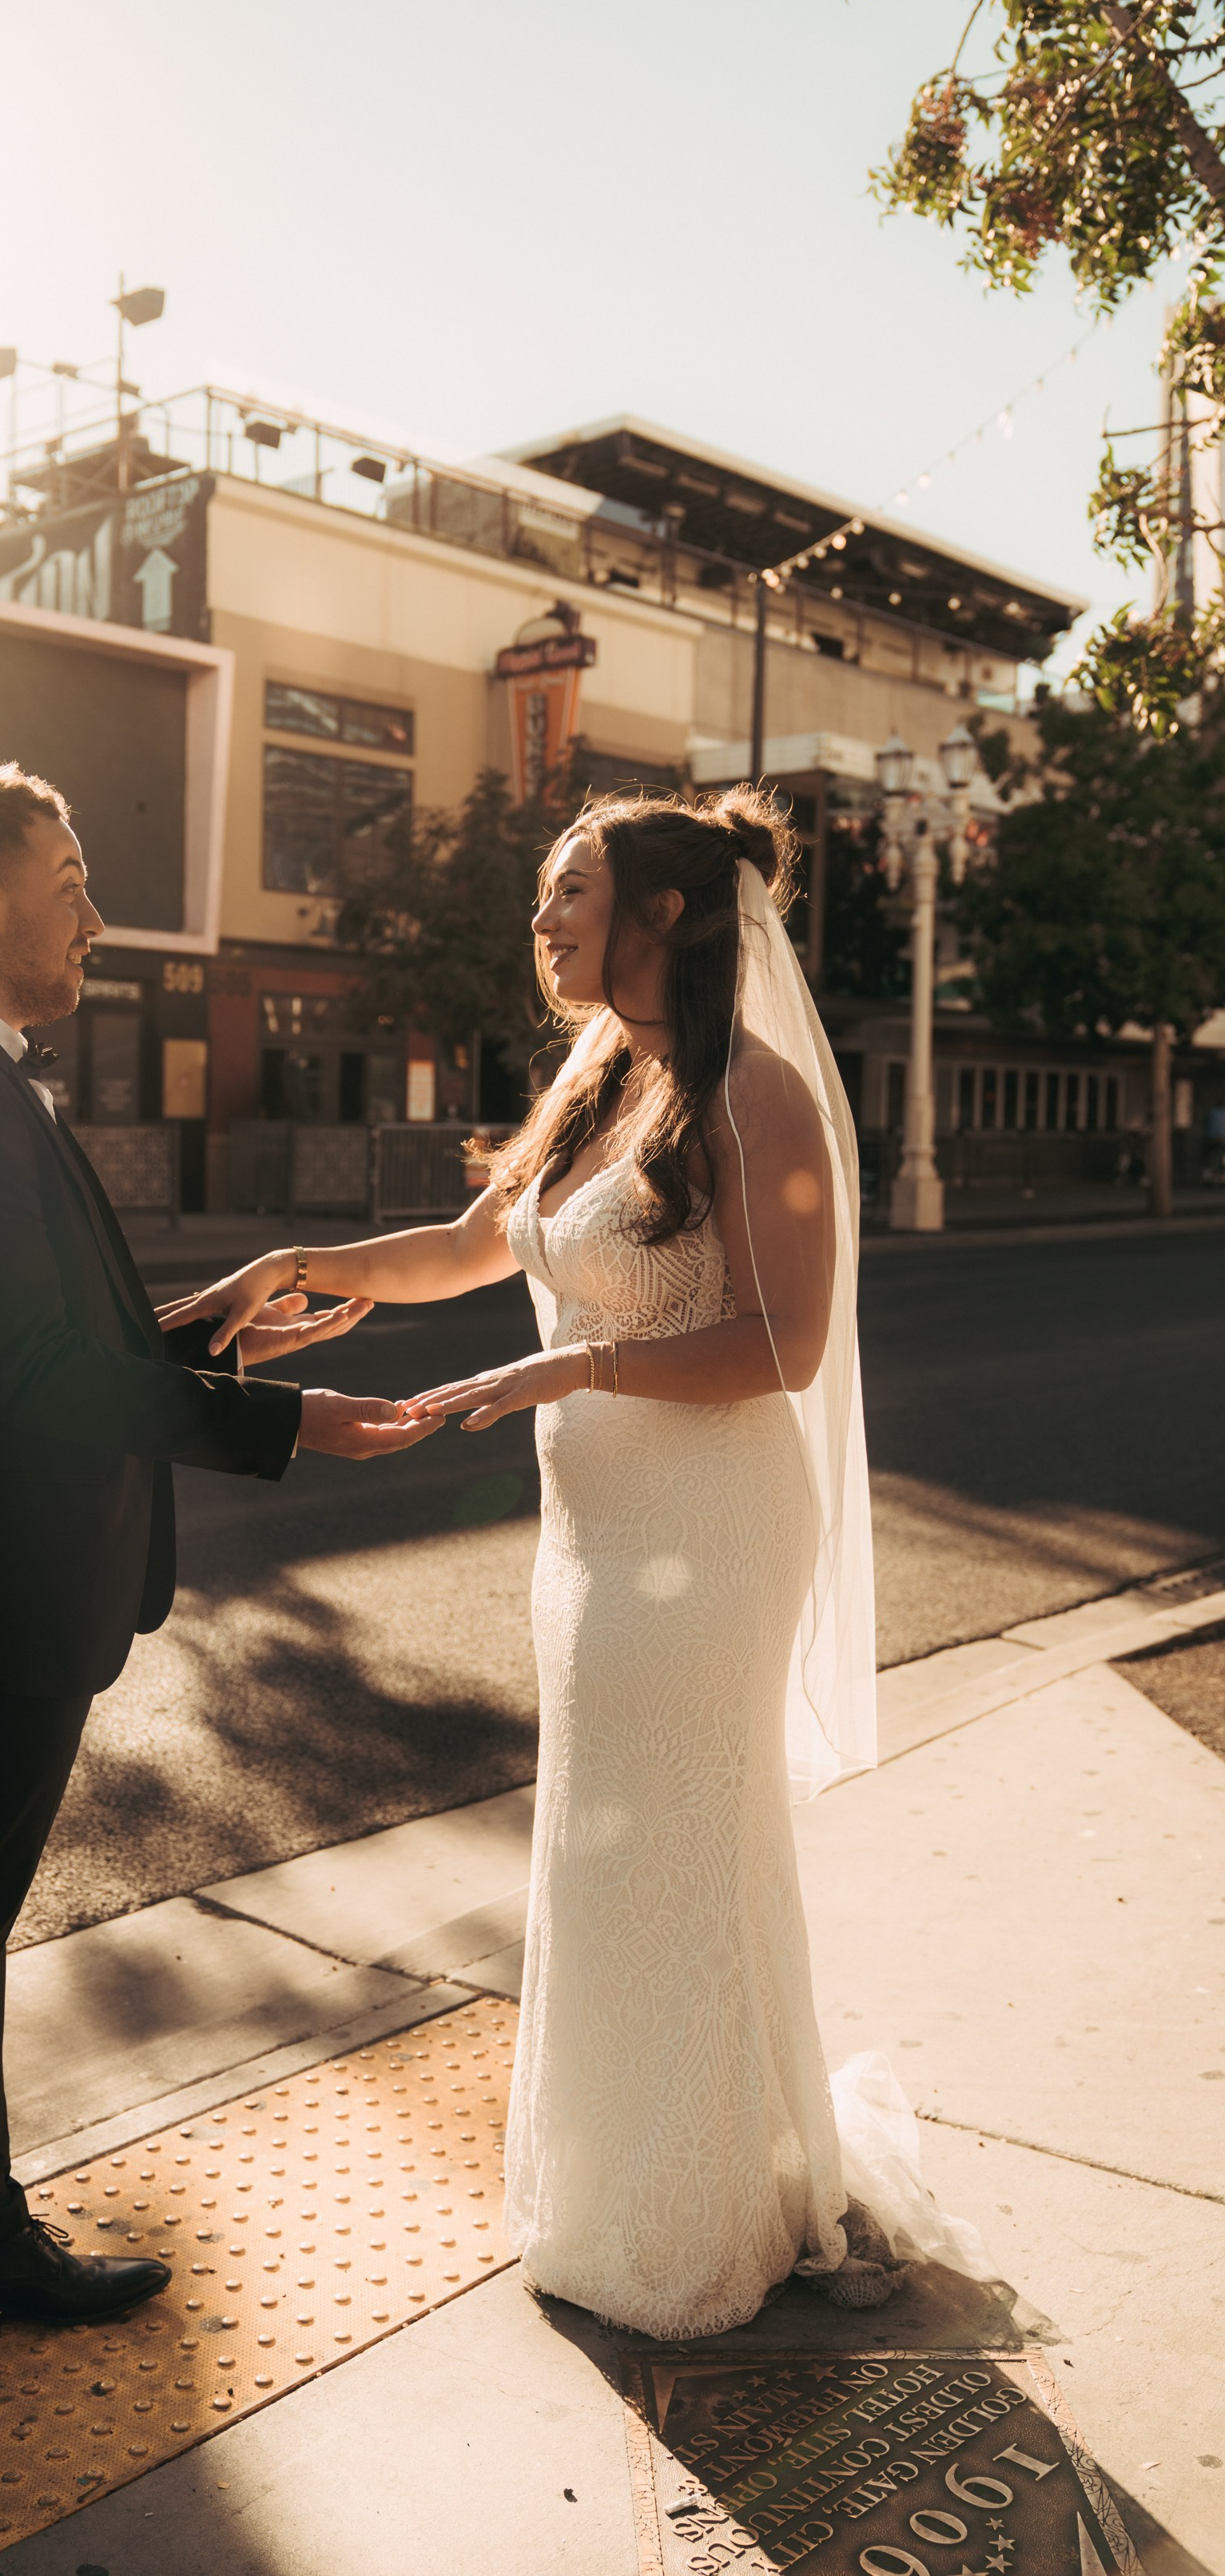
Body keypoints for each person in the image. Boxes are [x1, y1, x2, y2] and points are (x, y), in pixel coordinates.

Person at [0, 756, 436, 2474]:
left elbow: (30, 1342)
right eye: (71, 883)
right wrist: (285, 1423)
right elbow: (27, 1381)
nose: (95, 918)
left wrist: (211, 1328)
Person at [162, 789, 892, 2337]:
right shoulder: (598, 1073)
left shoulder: (752, 1095)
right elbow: (463, 1247)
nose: (543, 921)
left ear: (664, 913)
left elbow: (785, 1344)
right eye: (547, 895)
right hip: (592, 1538)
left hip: (709, 1532)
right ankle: (622, 2185)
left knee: (678, 1848)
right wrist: (291, 1263)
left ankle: (696, 2223)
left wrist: (574, 1369)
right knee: (604, 1857)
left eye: (572, 891)